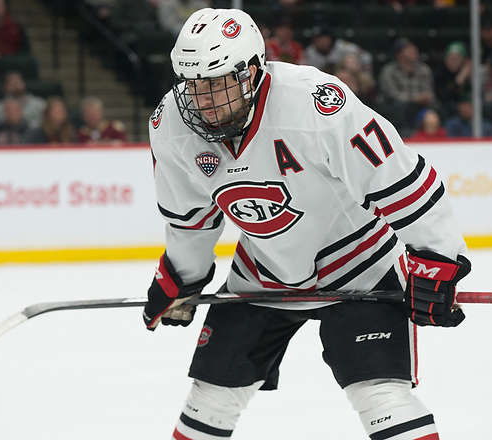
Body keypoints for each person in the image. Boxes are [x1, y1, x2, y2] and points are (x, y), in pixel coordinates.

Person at [145, 8, 471, 440]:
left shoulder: (316, 105)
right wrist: (181, 278)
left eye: (216, 83)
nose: (202, 99)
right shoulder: (170, 124)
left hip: (360, 270)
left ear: (252, 72)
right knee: (211, 396)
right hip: (263, 274)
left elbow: (400, 179)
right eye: (192, 83)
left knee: (381, 397)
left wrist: (438, 258)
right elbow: (191, 220)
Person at [378, 37, 435, 131]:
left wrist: (423, 97)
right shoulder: (389, 70)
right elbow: (391, 94)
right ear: (399, 54)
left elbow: (428, 91)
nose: (413, 51)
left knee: (436, 106)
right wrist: (413, 98)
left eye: (414, 49)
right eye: (408, 49)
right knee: (399, 106)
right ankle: (403, 132)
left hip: (419, 105)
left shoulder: (424, 69)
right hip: (398, 105)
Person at [304, 26, 373, 75]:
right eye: (316, 39)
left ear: (330, 38)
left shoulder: (343, 47)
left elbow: (366, 56)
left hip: (347, 81)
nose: (319, 41)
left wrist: (365, 74)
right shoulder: (309, 52)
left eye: (322, 38)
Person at [433, 41, 471, 118]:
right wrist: (459, 80)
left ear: (463, 61)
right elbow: (443, 97)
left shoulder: (468, 73)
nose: (453, 62)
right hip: (448, 108)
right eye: (450, 59)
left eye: (456, 59)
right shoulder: (440, 73)